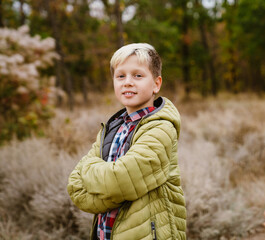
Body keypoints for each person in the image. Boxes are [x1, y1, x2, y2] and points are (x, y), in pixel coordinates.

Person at [67, 43, 186, 240]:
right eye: (120, 76)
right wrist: (113, 188)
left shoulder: (160, 128)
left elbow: (118, 180)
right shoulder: (113, 126)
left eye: (138, 75)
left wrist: (96, 178)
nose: (127, 82)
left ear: (156, 83)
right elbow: (75, 186)